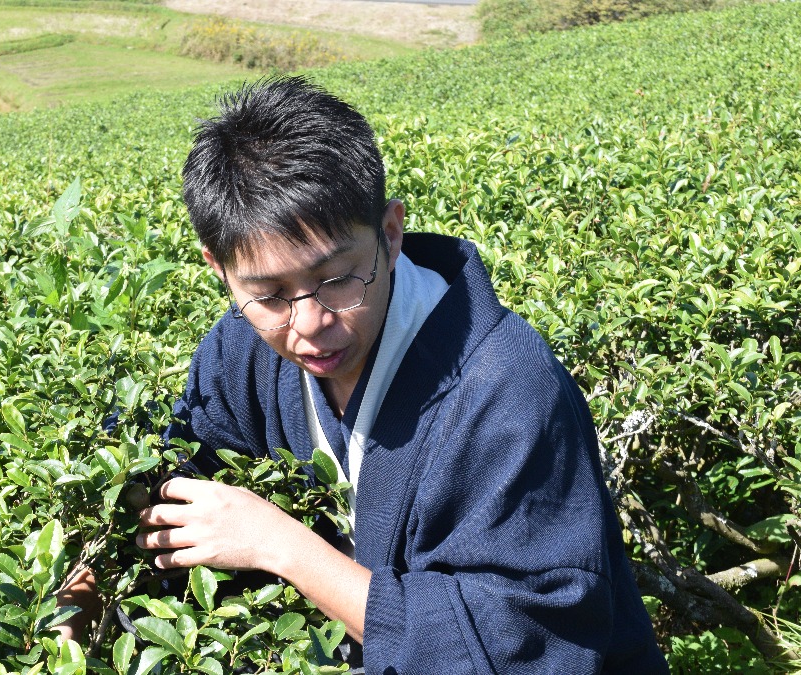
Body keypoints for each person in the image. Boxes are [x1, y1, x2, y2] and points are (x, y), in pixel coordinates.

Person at [56, 76, 668, 673]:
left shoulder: (505, 387)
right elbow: (175, 487)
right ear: (219, 268)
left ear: (390, 234)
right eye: (268, 294)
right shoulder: (238, 351)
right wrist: (79, 594)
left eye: (338, 279)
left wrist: (285, 547)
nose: (309, 324)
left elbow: (522, 639)